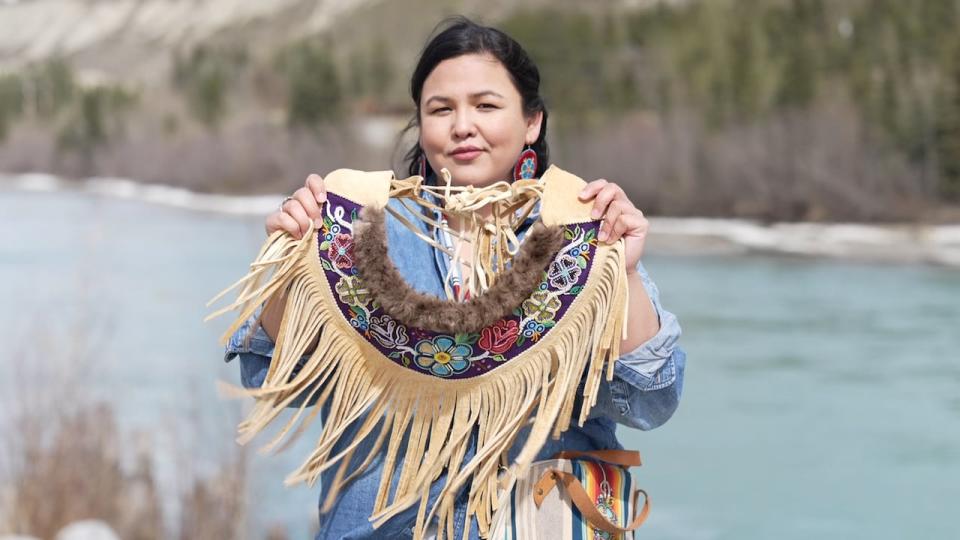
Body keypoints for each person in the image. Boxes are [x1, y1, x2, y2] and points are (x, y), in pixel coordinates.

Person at [223, 16, 685, 540]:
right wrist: (292, 259)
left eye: (486, 106)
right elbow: (272, 385)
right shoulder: (360, 227)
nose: (463, 125)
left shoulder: (583, 233)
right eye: (441, 109)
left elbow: (650, 403)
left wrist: (622, 270)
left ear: (532, 121)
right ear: (421, 124)